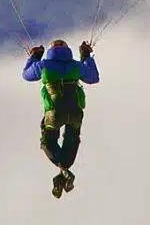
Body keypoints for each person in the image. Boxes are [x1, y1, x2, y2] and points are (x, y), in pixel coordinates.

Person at [23, 39, 99, 199]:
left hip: (54, 113)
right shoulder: (76, 66)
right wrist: (86, 56)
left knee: (47, 141)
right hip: (75, 112)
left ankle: (63, 168)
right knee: (72, 138)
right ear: (67, 49)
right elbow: (93, 78)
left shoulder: (43, 65)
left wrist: (35, 56)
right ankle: (63, 170)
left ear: (50, 49)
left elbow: (27, 75)